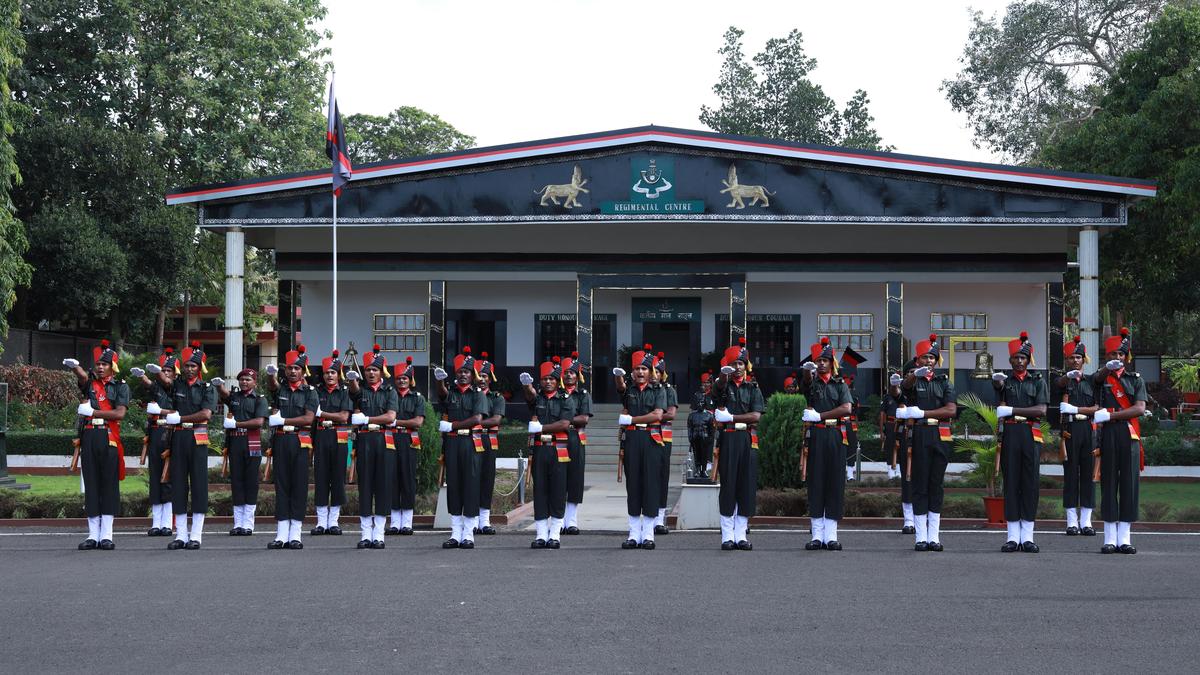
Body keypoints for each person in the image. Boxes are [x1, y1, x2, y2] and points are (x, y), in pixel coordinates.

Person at [63, 340, 129, 550]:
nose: (100, 367)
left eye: (104, 364)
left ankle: (107, 534)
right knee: (91, 484)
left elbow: (119, 413)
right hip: (90, 436)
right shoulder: (90, 384)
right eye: (98, 363)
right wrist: (75, 367)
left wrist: (93, 412)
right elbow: (83, 377)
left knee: (109, 484)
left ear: (112, 367)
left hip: (108, 436)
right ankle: (93, 534)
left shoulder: (121, 386)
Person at [897, 335, 957, 551]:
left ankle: (934, 536)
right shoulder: (914, 381)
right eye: (925, 357)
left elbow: (951, 410)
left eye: (932, 357)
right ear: (917, 360)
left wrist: (923, 412)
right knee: (919, 485)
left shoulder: (944, 383)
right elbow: (904, 385)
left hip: (940, 435)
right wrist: (915, 375)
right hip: (920, 434)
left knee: (936, 485)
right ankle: (920, 537)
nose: (929, 361)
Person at [1090, 328, 1147, 554]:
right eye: (1112, 354)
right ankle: (1109, 538)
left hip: (1128, 432)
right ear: (1106, 357)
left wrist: (1112, 415)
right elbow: (1094, 380)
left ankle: (1125, 537)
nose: (1117, 358)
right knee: (1109, 483)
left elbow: (1139, 408)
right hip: (1108, 434)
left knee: (1129, 485)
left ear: (1127, 356)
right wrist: (1107, 369)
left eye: (1120, 355)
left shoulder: (1135, 380)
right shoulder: (1100, 378)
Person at [156, 341, 216, 550]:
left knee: (199, 485)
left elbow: (205, 414)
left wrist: (179, 418)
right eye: (187, 365)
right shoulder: (177, 385)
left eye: (194, 366)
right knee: (179, 485)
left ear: (200, 368)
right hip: (179, 438)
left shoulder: (208, 388)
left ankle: (196, 534)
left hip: (197, 437)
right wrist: (156, 373)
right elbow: (164, 383)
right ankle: (181, 534)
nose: (190, 369)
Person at [992, 332, 1048, 553]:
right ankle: (1013, 536)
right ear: (1010, 360)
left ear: (1029, 359)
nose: (1019, 361)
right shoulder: (1005, 381)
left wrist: (1013, 410)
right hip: (1012, 433)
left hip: (1030, 433)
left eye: (1023, 357)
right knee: (1012, 483)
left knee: (1030, 483)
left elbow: (1041, 410)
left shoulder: (1038, 381)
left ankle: (1028, 537)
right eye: (1015, 357)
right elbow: (997, 387)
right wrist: (996, 382)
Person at [799, 337, 853, 551]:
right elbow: (805, 383)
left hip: (835, 435)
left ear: (832, 362)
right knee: (816, 482)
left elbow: (846, 408)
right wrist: (806, 370)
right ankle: (817, 535)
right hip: (817, 436)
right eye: (818, 360)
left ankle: (831, 535)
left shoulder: (840, 384)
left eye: (825, 360)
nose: (821, 363)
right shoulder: (811, 383)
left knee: (834, 482)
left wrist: (819, 415)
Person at [713, 337, 765, 550]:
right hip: (727, 439)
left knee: (745, 486)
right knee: (728, 486)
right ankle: (727, 535)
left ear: (746, 366)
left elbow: (756, 416)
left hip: (746, 439)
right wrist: (722, 377)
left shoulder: (753, 388)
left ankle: (741, 534)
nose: (736, 367)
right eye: (733, 363)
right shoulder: (721, 386)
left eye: (740, 363)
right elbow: (716, 391)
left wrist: (732, 418)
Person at [264, 345, 318, 549]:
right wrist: (270, 374)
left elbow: (308, 419)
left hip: (300, 441)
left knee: (298, 486)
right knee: (282, 485)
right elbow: (271, 386)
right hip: (280, 441)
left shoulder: (310, 392)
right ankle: (281, 534)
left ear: (303, 371)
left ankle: (295, 534)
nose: (293, 371)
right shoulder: (282, 389)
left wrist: (283, 421)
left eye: (296, 368)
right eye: (289, 368)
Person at [519, 356, 576, 548]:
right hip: (540, 451)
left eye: (552, 378)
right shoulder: (538, 399)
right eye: (544, 379)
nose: (548, 381)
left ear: (557, 380)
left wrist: (540, 428)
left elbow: (565, 424)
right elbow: (529, 397)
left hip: (559, 450)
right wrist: (526, 385)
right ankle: (541, 534)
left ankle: (555, 534)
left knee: (558, 491)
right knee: (540, 491)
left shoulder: (566, 399)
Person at [613, 344, 666, 549]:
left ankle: (649, 534)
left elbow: (657, 415)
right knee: (633, 485)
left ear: (650, 371)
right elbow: (620, 388)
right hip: (633, 440)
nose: (640, 372)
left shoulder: (659, 390)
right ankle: (634, 533)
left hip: (652, 440)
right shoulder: (630, 390)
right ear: (633, 372)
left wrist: (631, 420)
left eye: (644, 368)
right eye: (637, 369)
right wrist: (618, 376)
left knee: (651, 485)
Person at [434, 346, 488, 549]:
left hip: (471, 443)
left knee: (471, 485)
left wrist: (453, 425)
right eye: (460, 372)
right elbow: (442, 395)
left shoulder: (478, 394)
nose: (463, 375)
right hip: (453, 443)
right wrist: (439, 380)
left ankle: (469, 533)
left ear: (472, 374)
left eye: (466, 371)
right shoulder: (452, 392)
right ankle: (455, 533)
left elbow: (477, 419)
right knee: (454, 486)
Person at [348, 345, 398, 549]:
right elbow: (353, 395)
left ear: (381, 372)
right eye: (367, 369)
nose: (370, 372)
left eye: (374, 369)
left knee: (383, 486)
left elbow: (391, 417)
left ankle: (379, 533)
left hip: (384, 440)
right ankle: (365, 534)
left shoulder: (390, 392)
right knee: (366, 486)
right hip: (365, 441)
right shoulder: (361, 392)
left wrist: (367, 418)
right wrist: (352, 379)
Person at [129, 347, 178, 537]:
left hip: (172, 432)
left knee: (168, 478)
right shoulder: (158, 388)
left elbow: (177, 412)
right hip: (157, 433)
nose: (165, 374)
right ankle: (157, 522)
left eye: (168, 371)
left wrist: (160, 411)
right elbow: (149, 385)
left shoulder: (179, 389)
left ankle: (168, 523)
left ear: (175, 374)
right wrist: (141, 376)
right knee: (156, 477)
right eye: (163, 371)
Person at [214, 368, 267, 536]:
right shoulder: (235, 397)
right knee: (236, 480)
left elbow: (259, 422)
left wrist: (236, 424)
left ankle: (248, 524)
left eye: (248, 380)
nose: (244, 382)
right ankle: (238, 523)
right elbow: (224, 394)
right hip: (236, 442)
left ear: (254, 383)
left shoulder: (260, 399)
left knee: (251, 481)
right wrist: (218, 385)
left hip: (252, 442)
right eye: (242, 379)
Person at [1057, 336, 1098, 537]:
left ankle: (1087, 521)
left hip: (1088, 430)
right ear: (1067, 361)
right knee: (1071, 475)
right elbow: (1060, 382)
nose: (1075, 361)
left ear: (1084, 360)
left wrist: (1077, 408)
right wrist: (1069, 376)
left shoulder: (1092, 382)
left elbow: (1097, 408)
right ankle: (1072, 521)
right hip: (1070, 431)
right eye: (1071, 357)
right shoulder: (1064, 383)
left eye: (1078, 357)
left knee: (1089, 476)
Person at [312, 350, 353, 536]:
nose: (329, 375)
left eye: (333, 372)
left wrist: (322, 414)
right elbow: (310, 419)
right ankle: (321, 522)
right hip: (321, 436)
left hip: (339, 436)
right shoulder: (316, 391)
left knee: (337, 478)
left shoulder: (345, 392)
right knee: (321, 478)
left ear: (339, 374)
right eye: (327, 372)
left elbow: (344, 417)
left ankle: (334, 521)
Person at [387, 356, 426, 537]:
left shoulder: (418, 398)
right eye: (398, 378)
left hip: (410, 440)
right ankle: (395, 522)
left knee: (408, 479)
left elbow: (417, 422)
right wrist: (400, 423)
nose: (401, 380)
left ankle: (407, 523)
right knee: (392, 478)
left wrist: (394, 422)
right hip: (391, 439)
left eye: (405, 378)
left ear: (410, 380)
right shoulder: (389, 395)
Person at [473, 352, 505, 536]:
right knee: (471, 479)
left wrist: (472, 422)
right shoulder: (469, 395)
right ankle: (472, 519)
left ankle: (484, 520)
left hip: (487, 440)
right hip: (471, 439)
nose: (481, 379)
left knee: (486, 479)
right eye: (478, 375)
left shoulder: (497, 397)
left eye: (484, 375)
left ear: (490, 378)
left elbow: (496, 420)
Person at [560, 352, 593, 534]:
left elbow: (584, 419)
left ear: (578, 375)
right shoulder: (555, 394)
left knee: (574, 478)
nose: (569, 375)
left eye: (572, 372)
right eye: (566, 372)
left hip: (575, 438)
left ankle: (571, 520)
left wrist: (564, 420)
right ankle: (558, 519)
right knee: (558, 479)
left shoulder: (583, 395)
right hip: (558, 438)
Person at [881, 368, 915, 534]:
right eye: (911, 372)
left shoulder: (932, 387)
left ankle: (924, 519)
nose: (914, 374)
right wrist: (894, 384)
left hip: (926, 436)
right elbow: (896, 393)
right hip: (907, 434)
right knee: (907, 479)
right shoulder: (903, 392)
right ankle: (909, 520)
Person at [653, 352, 678, 535]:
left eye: (657, 372)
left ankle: (659, 518)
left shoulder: (669, 390)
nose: (654, 375)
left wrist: (650, 417)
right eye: (651, 371)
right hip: (644, 438)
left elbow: (670, 414)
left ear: (663, 374)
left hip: (662, 439)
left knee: (661, 477)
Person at [839, 347, 866, 482]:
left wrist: (857, 427)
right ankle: (839, 472)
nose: (848, 381)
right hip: (839, 423)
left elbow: (857, 412)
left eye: (849, 380)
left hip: (851, 424)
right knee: (840, 447)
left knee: (852, 447)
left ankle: (850, 473)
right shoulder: (837, 391)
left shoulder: (854, 395)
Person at [688, 371, 717, 479]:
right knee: (698, 451)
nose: (704, 385)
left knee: (709, 449)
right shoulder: (697, 395)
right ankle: (698, 470)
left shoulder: (714, 394)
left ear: (711, 383)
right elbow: (693, 410)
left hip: (711, 425)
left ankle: (708, 470)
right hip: (698, 424)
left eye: (707, 383)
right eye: (703, 383)